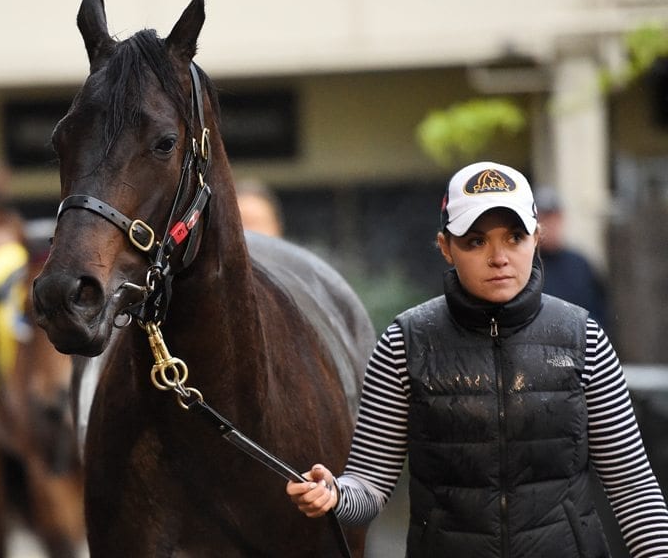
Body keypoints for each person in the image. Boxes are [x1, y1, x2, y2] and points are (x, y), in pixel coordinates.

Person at [286, 161, 668, 558]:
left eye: (515, 237)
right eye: (476, 241)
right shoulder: (405, 343)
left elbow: (632, 484)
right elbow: (369, 485)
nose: (498, 257)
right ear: (445, 247)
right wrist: (332, 494)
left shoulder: (582, 338)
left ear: (537, 238)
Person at [534, 185, 607, 328]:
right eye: (543, 219)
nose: (549, 226)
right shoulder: (526, 266)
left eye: (554, 218)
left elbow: (601, 311)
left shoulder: (581, 264)